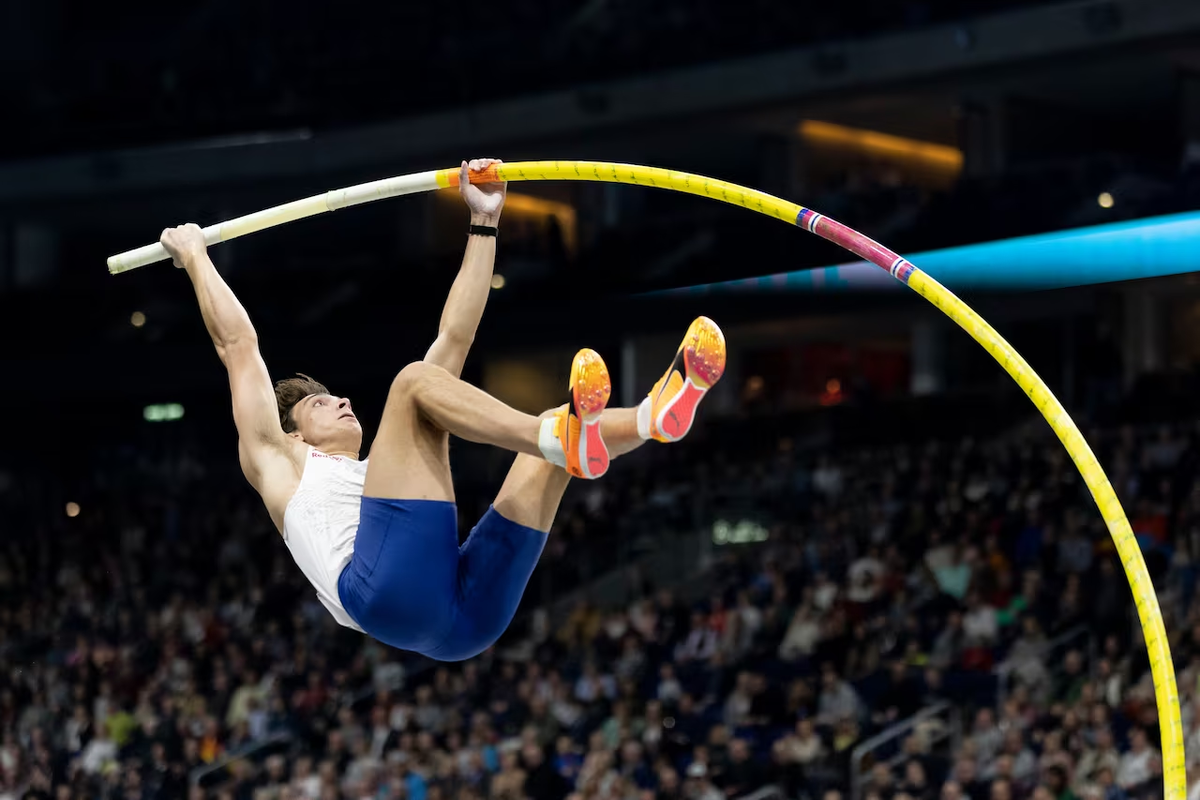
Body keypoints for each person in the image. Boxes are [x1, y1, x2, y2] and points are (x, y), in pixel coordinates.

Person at [157, 158, 726, 662]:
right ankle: (556, 436)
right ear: (294, 434)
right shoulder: (279, 463)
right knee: (413, 386)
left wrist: (483, 222)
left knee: (522, 424)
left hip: (462, 623)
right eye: (319, 404)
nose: (343, 400)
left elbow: (455, 336)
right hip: (384, 593)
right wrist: (197, 257)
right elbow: (238, 347)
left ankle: (653, 416)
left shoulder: (387, 471)